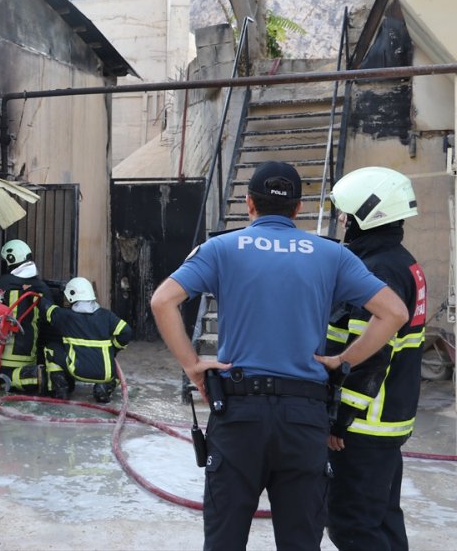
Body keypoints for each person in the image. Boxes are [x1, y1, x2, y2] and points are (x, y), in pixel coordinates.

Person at [149, 160, 409, 551]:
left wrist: (193, 366)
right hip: (304, 420)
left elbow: (163, 300)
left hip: (238, 416)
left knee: (223, 539)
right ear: (298, 209)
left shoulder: (221, 248)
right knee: (301, 541)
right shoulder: (331, 255)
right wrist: (344, 360)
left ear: (249, 204)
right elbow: (395, 313)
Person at [324, 167, 426, 551]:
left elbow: (371, 352)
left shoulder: (378, 270)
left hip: (365, 424)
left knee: (352, 525)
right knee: (382, 517)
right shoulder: (401, 261)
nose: (341, 220)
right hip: (389, 419)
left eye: (346, 213)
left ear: (368, 214)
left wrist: (340, 418)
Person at [39, 276, 131, 402]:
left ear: (72, 296)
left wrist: (39, 294)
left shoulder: (65, 316)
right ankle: (104, 387)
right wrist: (113, 348)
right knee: (112, 369)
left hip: (76, 370)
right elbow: (126, 332)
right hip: (103, 373)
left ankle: (61, 388)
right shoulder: (106, 316)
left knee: (51, 349)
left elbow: (48, 310)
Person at [0, 239, 51, 393]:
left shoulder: (3, 284)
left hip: (2, 359)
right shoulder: (42, 287)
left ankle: (31, 377)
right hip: (30, 356)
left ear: (11, 259)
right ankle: (35, 375)